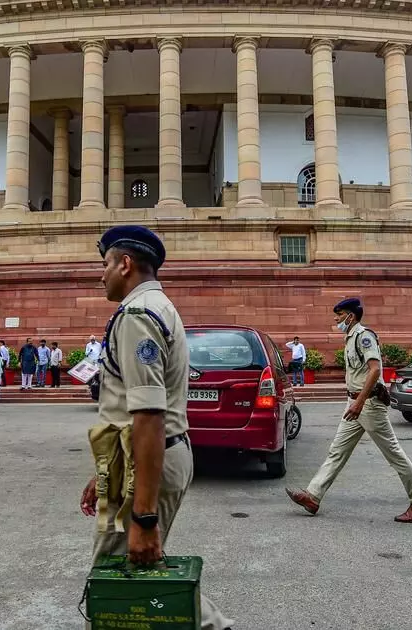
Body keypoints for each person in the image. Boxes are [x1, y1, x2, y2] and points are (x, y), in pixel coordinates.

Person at [79, 225, 233, 630]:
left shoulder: (137, 316)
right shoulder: (159, 307)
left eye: (106, 265)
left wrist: (144, 519)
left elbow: (148, 415)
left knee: (118, 576)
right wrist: (104, 472)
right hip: (137, 460)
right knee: (133, 571)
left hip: (147, 460)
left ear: (125, 264)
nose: (102, 275)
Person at [286, 298, 412, 522]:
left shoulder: (364, 337)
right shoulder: (350, 337)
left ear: (351, 316)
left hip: (369, 404)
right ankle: (313, 496)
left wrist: (360, 402)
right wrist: (355, 402)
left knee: (394, 454)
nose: (336, 319)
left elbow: (375, 371)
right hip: (355, 404)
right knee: (337, 451)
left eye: (339, 314)